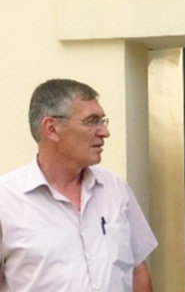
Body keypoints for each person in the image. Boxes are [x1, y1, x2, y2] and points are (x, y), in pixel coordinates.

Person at [0, 79, 158, 292]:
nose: (104, 132)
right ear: (52, 128)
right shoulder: (7, 201)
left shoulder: (115, 189)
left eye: (103, 121)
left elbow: (137, 270)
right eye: (92, 121)